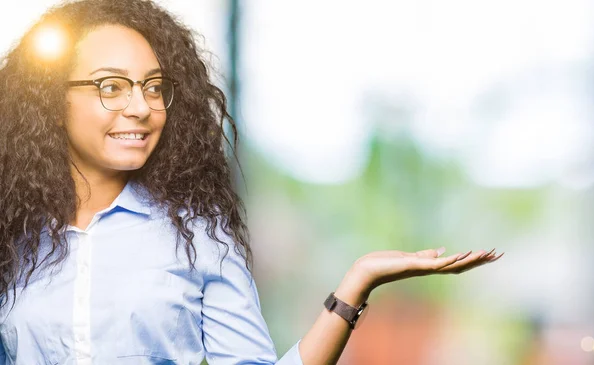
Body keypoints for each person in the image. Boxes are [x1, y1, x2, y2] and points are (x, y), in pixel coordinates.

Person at [0, 0, 503, 364]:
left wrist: (357, 283)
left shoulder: (197, 239)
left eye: (154, 87)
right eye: (111, 86)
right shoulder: (11, 239)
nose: (141, 106)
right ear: (50, 99)